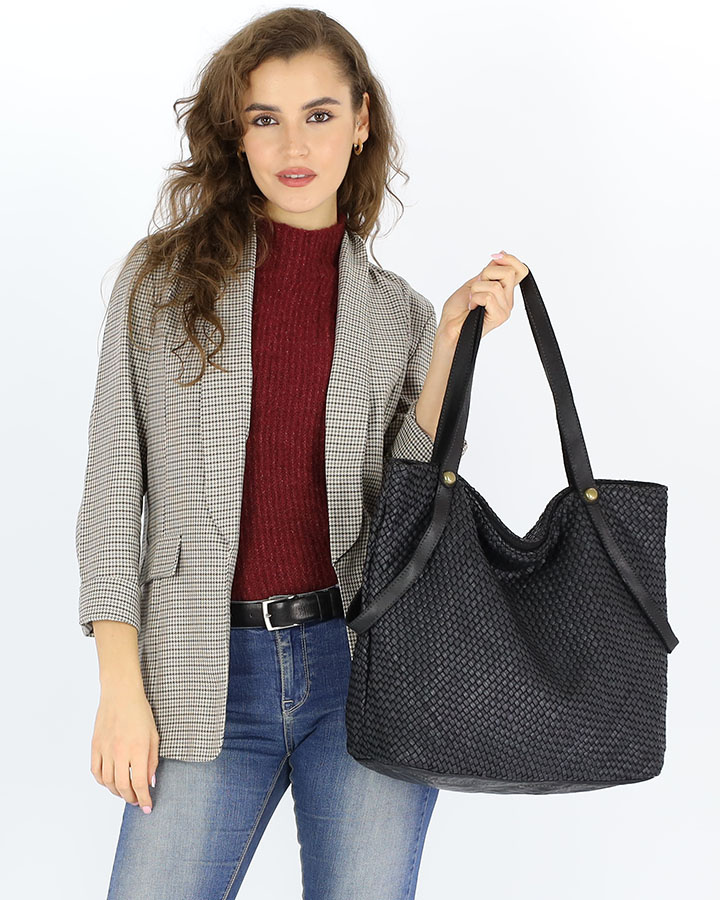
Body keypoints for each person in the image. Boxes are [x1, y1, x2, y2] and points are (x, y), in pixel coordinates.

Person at [76, 8, 527, 899]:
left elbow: (412, 499)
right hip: (200, 671)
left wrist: (446, 344)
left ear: (360, 122)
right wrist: (119, 688)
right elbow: (111, 489)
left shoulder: (396, 312)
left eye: (319, 114)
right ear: (235, 133)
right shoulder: (159, 282)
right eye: (265, 118)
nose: (294, 144)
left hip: (364, 670)